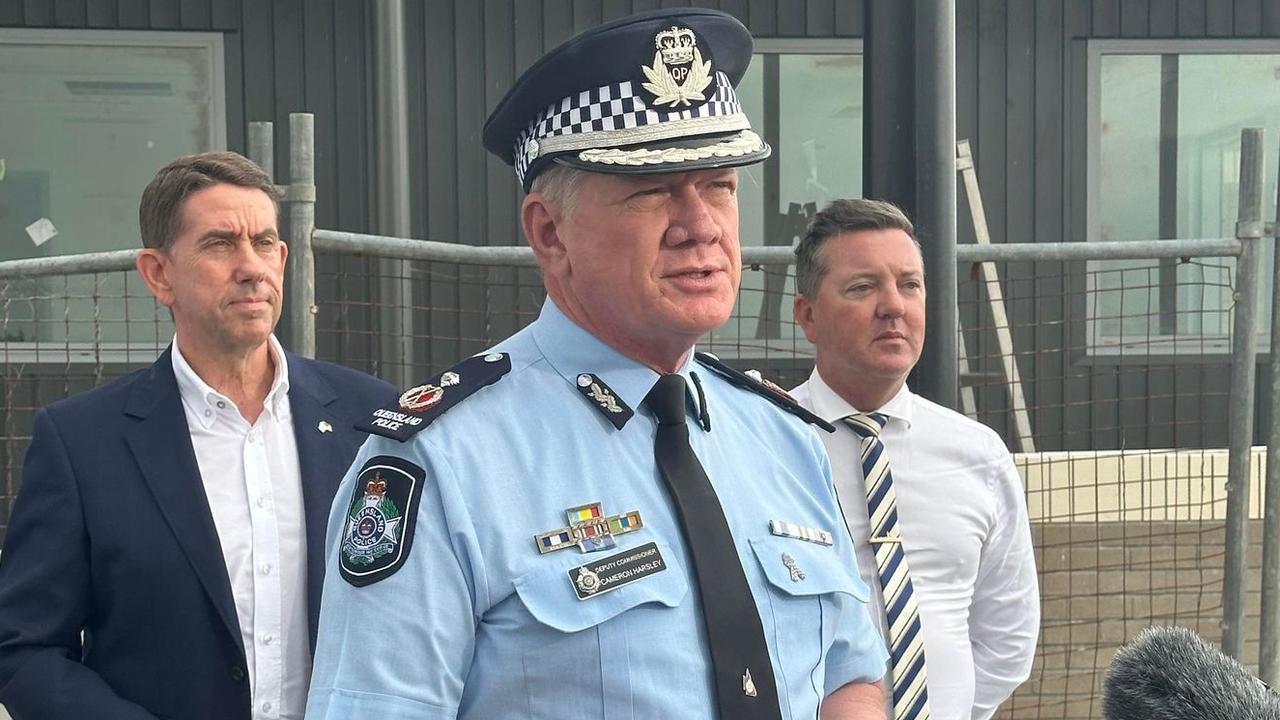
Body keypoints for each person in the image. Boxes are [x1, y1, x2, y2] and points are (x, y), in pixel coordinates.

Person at [307, 9, 888, 720]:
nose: (699, 225)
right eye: (652, 191)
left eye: (719, 187)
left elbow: (849, 676)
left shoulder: (785, 437)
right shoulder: (444, 463)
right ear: (549, 233)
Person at [0, 151, 397, 720]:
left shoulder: (373, 419)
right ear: (158, 274)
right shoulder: (82, 443)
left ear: (284, 259)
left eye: (264, 243)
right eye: (219, 244)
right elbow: (23, 648)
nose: (251, 267)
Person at [790, 198, 1040, 720]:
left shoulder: (978, 454)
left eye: (910, 285)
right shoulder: (762, 444)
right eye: (863, 287)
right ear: (807, 316)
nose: (894, 306)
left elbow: (1008, 632)